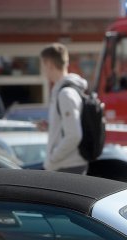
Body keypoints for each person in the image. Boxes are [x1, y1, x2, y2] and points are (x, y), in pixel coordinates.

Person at [40, 43, 88, 174]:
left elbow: (74, 135)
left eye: (43, 65)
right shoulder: (65, 91)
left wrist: (53, 158)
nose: (43, 70)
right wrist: (50, 127)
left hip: (67, 167)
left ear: (49, 64)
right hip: (67, 166)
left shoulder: (65, 94)